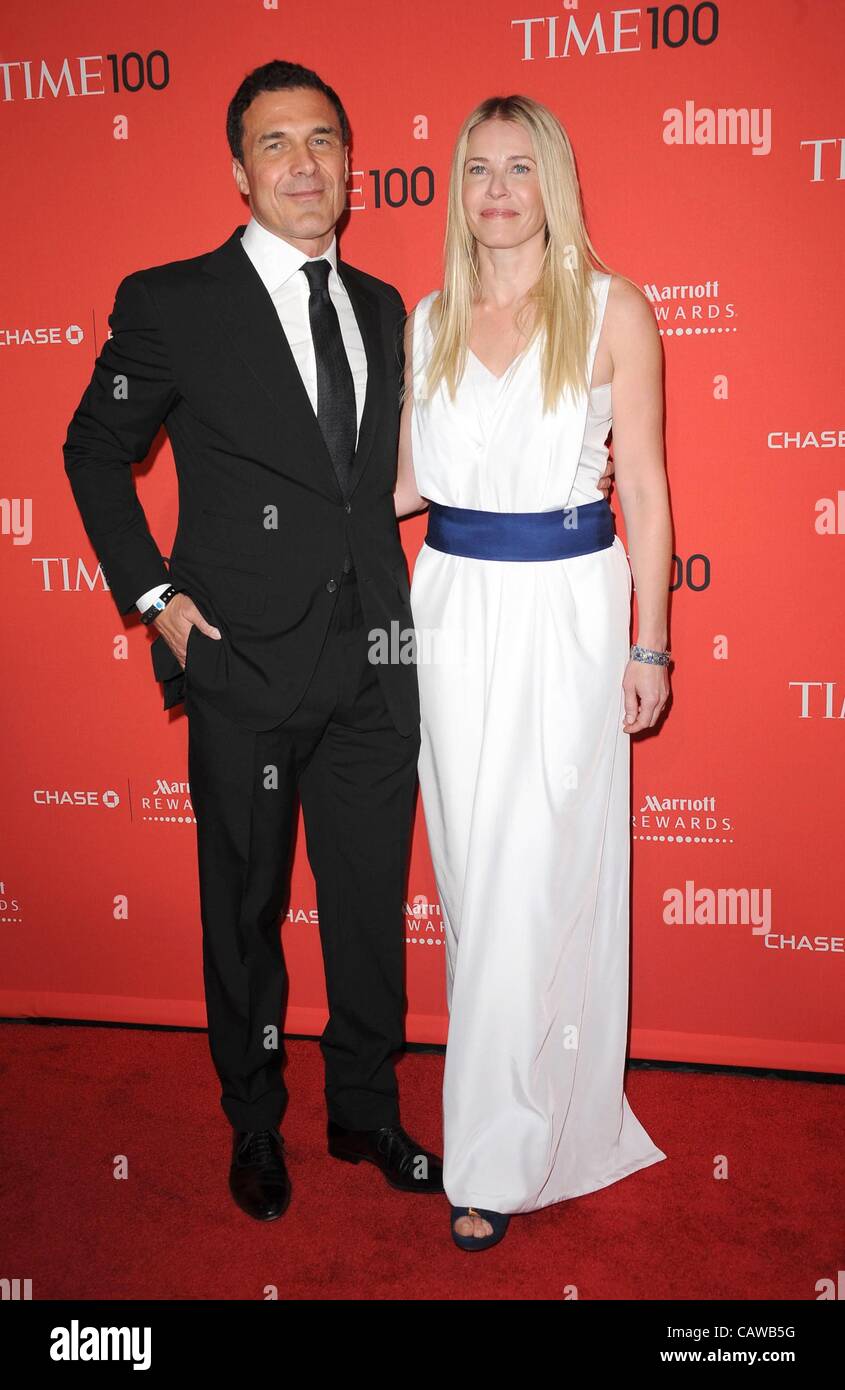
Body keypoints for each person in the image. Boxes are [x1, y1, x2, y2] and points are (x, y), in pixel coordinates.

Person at [63, 59, 443, 1222]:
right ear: (238, 171)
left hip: (374, 663)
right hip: (244, 665)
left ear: (350, 166)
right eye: (276, 144)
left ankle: (364, 1107)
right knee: (245, 913)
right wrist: (159, 601)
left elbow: (368, 488)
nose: (303, 164)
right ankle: (253, 1122)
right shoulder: (173, 300)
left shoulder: (382, 305)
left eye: (322, 140)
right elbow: (92, 450)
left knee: (369, 903)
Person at [394, 94, 671, 1250]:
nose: (495, 190)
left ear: (551, 182)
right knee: (470, 876)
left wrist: (647, 641)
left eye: (518, 167)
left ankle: (493, 1159)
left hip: (566, 611)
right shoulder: (425, 318)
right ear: (455, 189)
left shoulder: (612, 308)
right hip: (451, 609)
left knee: (531, 876)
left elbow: (645, 491)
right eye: (475, 170)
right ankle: (522, 1114)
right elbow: (403, 491)